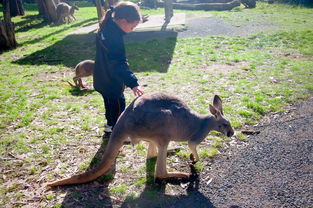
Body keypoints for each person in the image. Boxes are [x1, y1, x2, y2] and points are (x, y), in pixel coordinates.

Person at [93, 1, 144, 138]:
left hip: (102, 76)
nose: (132, 30)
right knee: (118, 105)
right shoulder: (113, 37)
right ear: (122, 21)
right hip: (110, 79)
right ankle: (117, 131)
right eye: (132, 27)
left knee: (110, 103)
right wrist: (133, 83)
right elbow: (119, 63)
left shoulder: (108, 26)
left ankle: (110, 125)